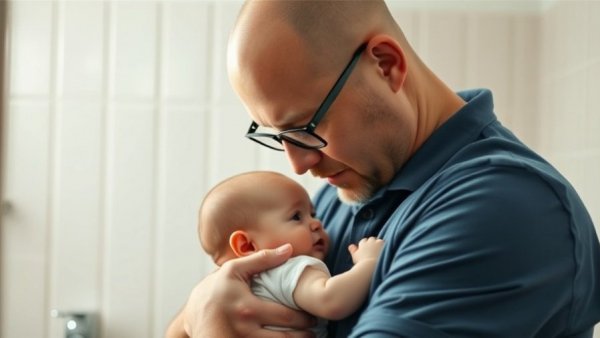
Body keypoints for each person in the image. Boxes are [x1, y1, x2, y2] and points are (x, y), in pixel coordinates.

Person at [167, 0, 600, 337]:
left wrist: (207, 327)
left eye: (305, 128)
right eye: (278, 136)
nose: (298, 164)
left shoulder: (504, 207)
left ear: (385, 65)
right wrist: (192, 318)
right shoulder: (341, 195)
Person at [195, 170, 384, 338]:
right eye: (296, 216)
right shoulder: (289, 268)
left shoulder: (238, 287)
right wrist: (368, 262)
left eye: (313, 214)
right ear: (247, 246)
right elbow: (331, 300)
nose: (317, 223)